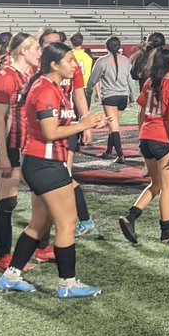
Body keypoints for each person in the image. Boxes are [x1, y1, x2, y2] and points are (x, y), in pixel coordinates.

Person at [0, 41, 107, 298]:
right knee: (67, 223)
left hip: (43, 163)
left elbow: (58, 125)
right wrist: (83, 125)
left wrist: (89, 123)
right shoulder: (45, 89)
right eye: (69, 60)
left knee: (38, 225)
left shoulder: (52, 86)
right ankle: (67, 284)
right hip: (45, 165)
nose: (75, 65)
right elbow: (49, 132)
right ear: (54, 65)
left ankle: (11, 276)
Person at [118, 47, 169, 245]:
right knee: (166, 188)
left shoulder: (149, 83)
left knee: (155, 184)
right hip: (162, 139)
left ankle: (130, 217)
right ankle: (166, 233)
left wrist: (143, 134)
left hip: (146, 137)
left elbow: (141, 113)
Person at [39, 29, 100, 239]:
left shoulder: (67, 64)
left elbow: (79, 93)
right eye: (48, 44)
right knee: (58, 178)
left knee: (64, 175)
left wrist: (86, 123)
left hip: (66, 126)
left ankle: (74, 221)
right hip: (46, 128)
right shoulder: (40, 68)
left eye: (56, 43)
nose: (52, 47)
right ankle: (73, 221)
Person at [0, 32, 40, 271]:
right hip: (7, 146)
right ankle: (4, 258)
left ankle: (42, 248)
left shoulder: (27, 76)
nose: (39, 52)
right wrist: (2, 155)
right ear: (23, 51)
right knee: (7, 204)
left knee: (42, 197)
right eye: (36, 48)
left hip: (23, 145)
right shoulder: (7, 78)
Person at [88, 36, 135, 162]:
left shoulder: (102, 61)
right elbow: (130, 80)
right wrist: (132, 98)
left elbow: (93, 79)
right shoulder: (126, 60)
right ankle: (108, 152)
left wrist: (89, 91)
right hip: (123, 97)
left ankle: (121, 155)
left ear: (106, 47)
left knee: (113, 127)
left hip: (110, 96)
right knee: (113, 125)